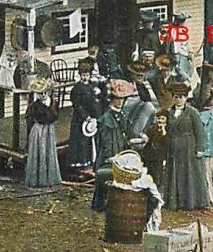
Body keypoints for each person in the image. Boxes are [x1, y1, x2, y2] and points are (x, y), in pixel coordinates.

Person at [91, 79, 138, 211]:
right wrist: (110, 156)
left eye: (123, 99)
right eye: (118, 99)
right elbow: (105, 141)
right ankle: (100, 205)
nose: (121, 102)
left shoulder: (121, 114)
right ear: (112, 100)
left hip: (120, 149)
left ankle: (114, 203)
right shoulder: (106, 118)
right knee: (105, 178)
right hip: (110, 152)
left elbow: (128, 130)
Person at [163, 83, 208, 210]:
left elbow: (199, 131)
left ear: (186, 98)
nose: (179, 100)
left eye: (181, 97)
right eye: (176, 97)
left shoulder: (192, 112)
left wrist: (200, 148)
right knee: (174, 173)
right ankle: (174, 202)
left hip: (188, 148)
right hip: (174, 149)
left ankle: (191, 202)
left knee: (189, 174)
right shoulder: (169, 112)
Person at [24, 77, 62, 187]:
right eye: (40, 93)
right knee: (39, 152)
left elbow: (56, 115)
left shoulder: (53, 103)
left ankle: (50, 178)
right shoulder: (34, 106)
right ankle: (38, 179)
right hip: (39, 130)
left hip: (49, 129)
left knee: (49, 151)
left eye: (45, 93)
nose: (43, 95)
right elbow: (29, 120)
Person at [68, 60, 101, 168]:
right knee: (79, 141)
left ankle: (88, 161)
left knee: (88, 141)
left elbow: (94, 102)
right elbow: (77, 104)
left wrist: (94, 115)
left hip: (90, 118)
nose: (85, 77)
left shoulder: (91, 87)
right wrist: (85, 116)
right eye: (83, 75)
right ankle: (78, 163)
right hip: (80, 119)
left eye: (87, 75)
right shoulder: (77, 88)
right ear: (80, 75)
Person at [143, 109, 169, 187]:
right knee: (149, 175)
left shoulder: (168, 129)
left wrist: (164, 131)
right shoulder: (152, 128)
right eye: (158, 118)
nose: (160, 120)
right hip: (150, 156)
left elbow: (168, 142)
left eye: (162, 118)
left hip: (160, 157)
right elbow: (146, 136)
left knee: (158, 176)